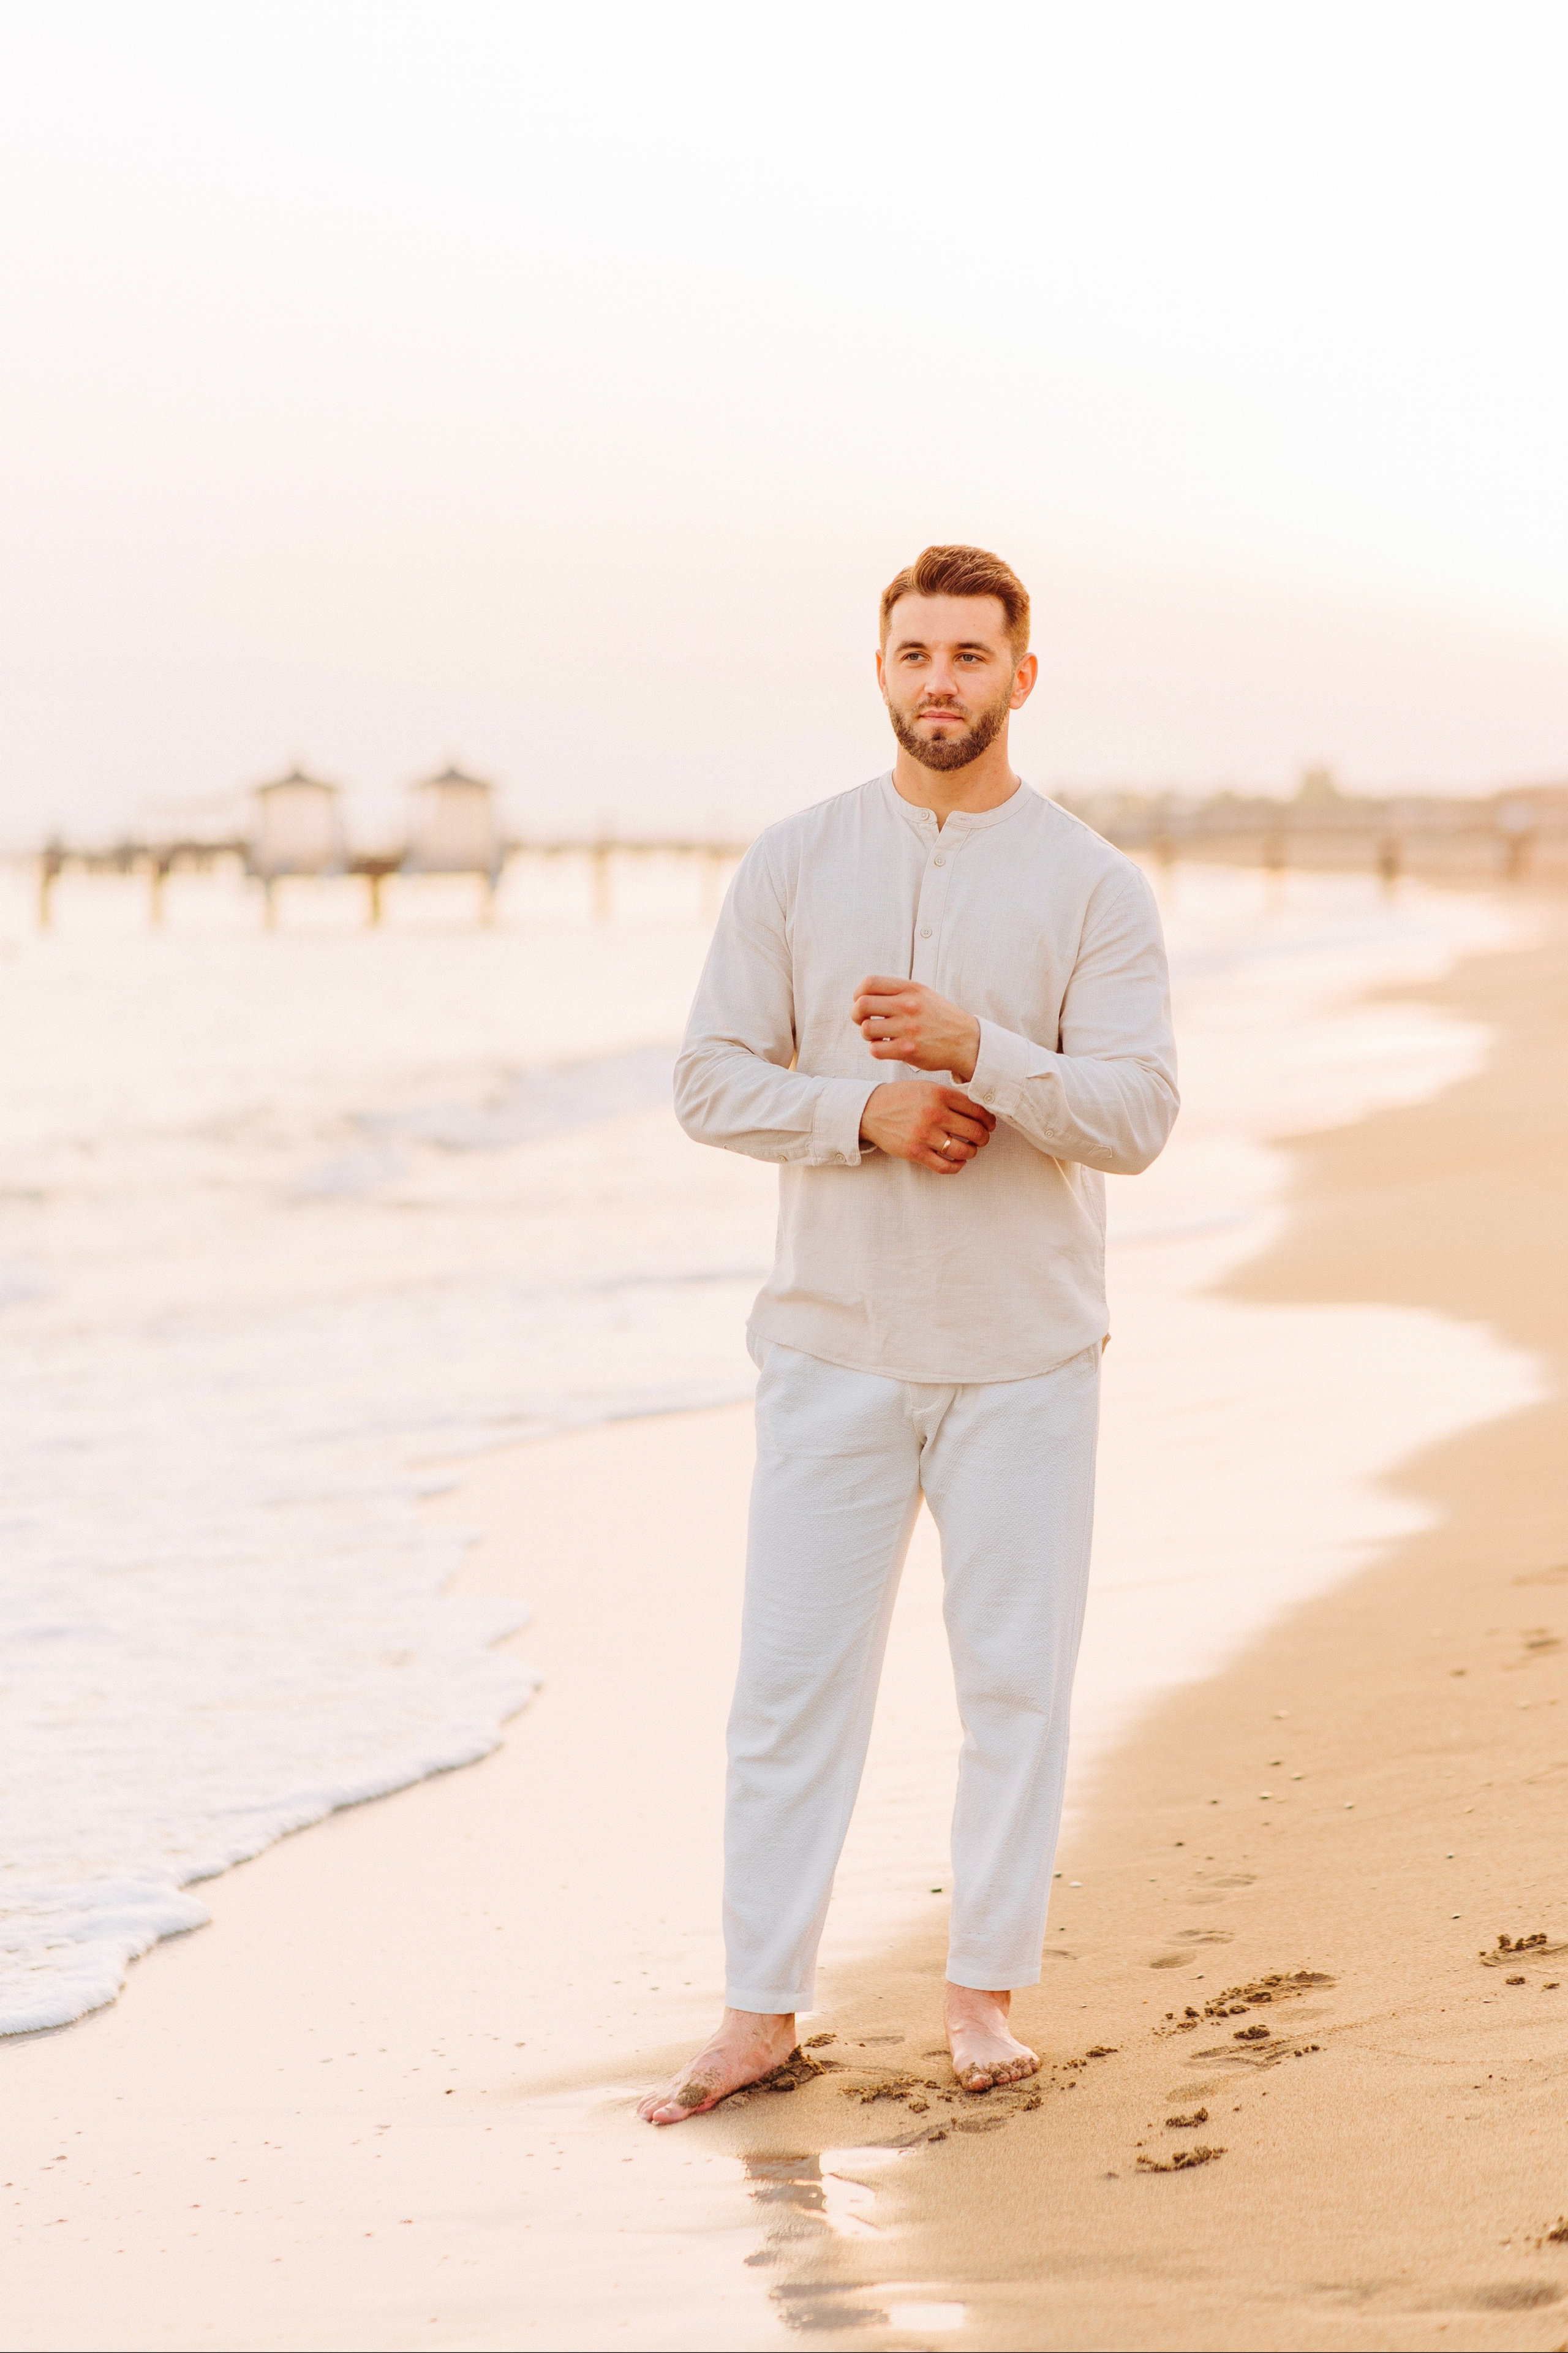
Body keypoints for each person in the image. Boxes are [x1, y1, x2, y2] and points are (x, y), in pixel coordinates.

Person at [638, 544, 1178, 2126]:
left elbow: (1139, 1115)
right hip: (831, 1347)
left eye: (969, 654)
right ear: (881, 671)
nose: (940, 680)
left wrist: (984, 1053)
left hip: (1028, 1353)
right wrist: (862, 1108)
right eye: (915, 653)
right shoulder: (796, 864)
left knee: (1016, 1682)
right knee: (792, 1684)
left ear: (1023, 674)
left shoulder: (1093, 883)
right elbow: (707, 1078)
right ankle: (758, 2013)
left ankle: (983, 1994)